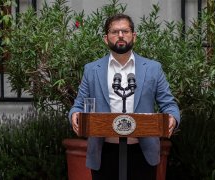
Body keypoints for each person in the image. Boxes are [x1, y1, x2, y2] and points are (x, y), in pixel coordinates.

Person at [69, 13, 180, 180]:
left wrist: (173, 118)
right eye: (115, 32)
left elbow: (169, 105)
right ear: (106, 38)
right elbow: (78, 105)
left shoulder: (153, 69)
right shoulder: (92, 70)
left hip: (142, 152)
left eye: (125, 31)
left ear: (133, 36)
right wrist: (75, 115)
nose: (120, 35)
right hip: (103, 151)